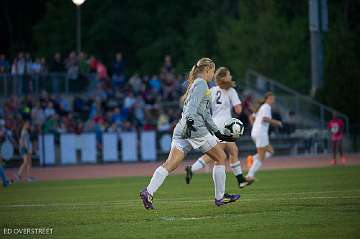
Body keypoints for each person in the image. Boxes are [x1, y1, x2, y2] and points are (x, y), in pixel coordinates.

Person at [139, 58, 240, 209]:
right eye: (213, 71)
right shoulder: (201, 84)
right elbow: (193, 109)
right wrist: (191, 123)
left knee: (170, 164)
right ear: (207, 70)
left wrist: (218, 133)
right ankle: (220, 197)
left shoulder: (196, 84)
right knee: (221, 157)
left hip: (182, 129)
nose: (213, 75)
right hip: (194, 129)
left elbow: (205, 114)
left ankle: (148, 191)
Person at [185, 67, 248, 188]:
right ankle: (192, 169)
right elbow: (238, 110)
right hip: (226, 126)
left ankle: (241, 180)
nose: (230, 77)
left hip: (214, 124)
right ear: (223, 77)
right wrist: (241, 105)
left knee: (231, 151)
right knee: (218, 154)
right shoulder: (231, 91)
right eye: (228, 75)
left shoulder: (212, 90)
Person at [246, 92, 282, 183]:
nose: (273, 100)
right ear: (267, 99)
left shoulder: (261, 107)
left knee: (270, 151)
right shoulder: (266, 107)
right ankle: (250, 175)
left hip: (255, 132)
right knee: (262, 156)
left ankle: (252, 159)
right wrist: (277, 122)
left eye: (273, 98)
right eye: (271, 98)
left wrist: (254, 126)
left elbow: (251, 117)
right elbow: (265, 119)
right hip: (261, 133)